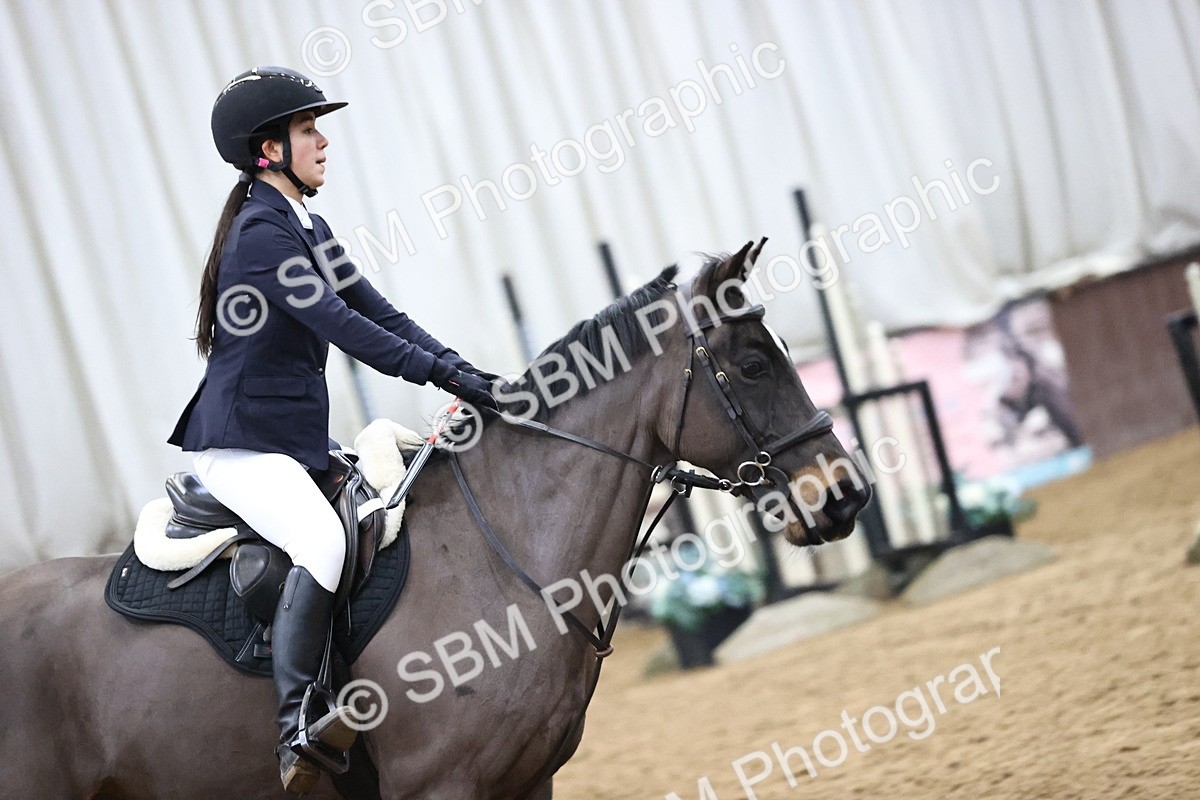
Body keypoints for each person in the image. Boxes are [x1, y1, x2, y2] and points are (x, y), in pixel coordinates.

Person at [167, 66, 498, 793]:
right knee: (321, 539)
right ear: (268, 151)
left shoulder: (307, 225)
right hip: (239, 445)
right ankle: (298, 724)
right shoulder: (259, 233)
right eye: (307, 129)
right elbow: (340, 326)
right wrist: (438, 378)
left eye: (319, 127)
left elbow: (380, 312)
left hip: (288, 441)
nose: (323, 140)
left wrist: (466, 370)